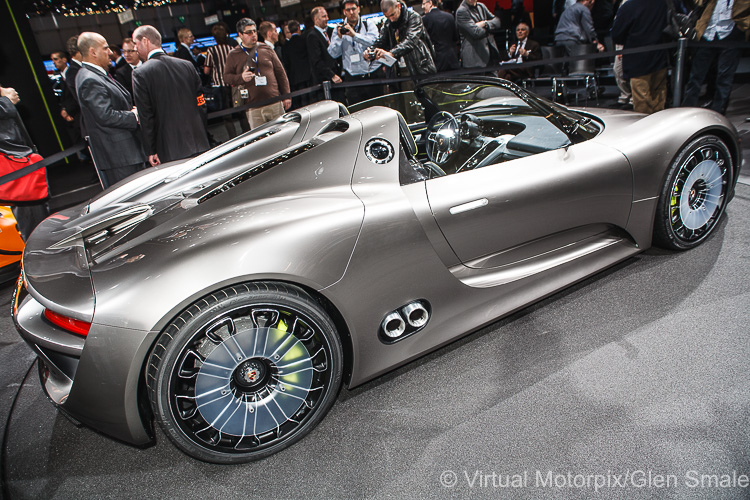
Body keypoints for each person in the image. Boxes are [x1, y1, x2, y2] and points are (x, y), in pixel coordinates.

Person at [75, 32, 147, 188]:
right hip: (120, 156)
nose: (110, 52)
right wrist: (134, 116)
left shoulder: (96, 75)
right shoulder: (90, 79)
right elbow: (105, 115)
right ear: (93, 52)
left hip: (124, 154)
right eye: (105, 48)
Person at [132, 25, 210, 166]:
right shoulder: (187, 65)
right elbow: (201, 104)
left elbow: (146, 116)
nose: (135, 49)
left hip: (169, 149)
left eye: (136, 44)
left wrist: (151, 150)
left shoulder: (141, 73)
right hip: (199, 141)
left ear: (145, 41)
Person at [682, 0, 750, 114]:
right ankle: (687, 107)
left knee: (724, 77)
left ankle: (718, 111)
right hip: (708, 32)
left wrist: (743, 26)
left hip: (731, 33)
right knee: (696, 75)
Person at [223, 18, 292, 129]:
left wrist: (287, 95)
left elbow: (280, 73)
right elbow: (226, 77)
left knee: (283, 134)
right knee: (261, 141)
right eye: (249, 32)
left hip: (274, 102)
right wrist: (241, 77)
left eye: (254, 31)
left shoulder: (266, 48)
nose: (253, 34)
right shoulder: (233, 54)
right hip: (253, 107)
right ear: (240, 35)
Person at [0, 86, 49, 239]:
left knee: (36, 222)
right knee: (34, 228)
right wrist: (6, 101)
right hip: (12, 160)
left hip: (16, 158)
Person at [611, 0, 668, 114]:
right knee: (659, 99)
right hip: (659, 58)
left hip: (638, 62)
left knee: (642, 103)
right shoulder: (662, 3)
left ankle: (647, 128)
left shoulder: (629, 7)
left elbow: (617, 35)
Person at [328, 0, 385, 105]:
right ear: (344, 12)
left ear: (358, 9)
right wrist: (339, 38)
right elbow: (333, 53)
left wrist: (354, 35)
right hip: (352, 78)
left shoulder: (368, 24)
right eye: (348, 10)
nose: (351, 12)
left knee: (378, 110)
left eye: (353, 9)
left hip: (372, 74)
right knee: (357, 112)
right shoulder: (338, 29)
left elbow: (376, 42)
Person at [365, 0, 437, 76]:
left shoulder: (414, 17)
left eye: (392, 15)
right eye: (387, 17)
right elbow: (380, 41)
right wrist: (370, 51)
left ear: (398, 6)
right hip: (398, 70)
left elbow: (410, 41)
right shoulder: (388, 24)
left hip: (420, 67)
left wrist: (391, 53)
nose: (391, 19)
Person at [204, 23, 242, 137]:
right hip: (234, 84)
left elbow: (206, 70)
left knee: (227, 116)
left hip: (220, 86)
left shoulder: (212, 51)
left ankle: (233, 138)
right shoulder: (232, 49)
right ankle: (247, 133)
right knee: (241, 112)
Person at [455, 0, 502, 69]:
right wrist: (490, 27)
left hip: (490, 56)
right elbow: (476, 33)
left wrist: (485, 23)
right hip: (475, 60)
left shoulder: (481, 6)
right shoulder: (461, 11)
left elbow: (497, 22)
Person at [308, 6, 343, 92]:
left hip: (338, 77)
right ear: (316, 19)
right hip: (326, 81)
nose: (327, 18)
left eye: (327, 16)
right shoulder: (312, 36)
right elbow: (317, 61)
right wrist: (332, 75)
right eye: (324, 16)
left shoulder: (330, 32)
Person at [421, 0, 460, 72]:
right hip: (452, 59)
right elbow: (456, 37)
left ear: (430, 3)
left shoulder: (424, 19)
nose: (422, 6)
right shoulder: (450, 16)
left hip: (436, 61)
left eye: (424, 4)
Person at [283, 20, 314, 108]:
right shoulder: (305, 40)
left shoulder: (286, 46)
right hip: (308, 75)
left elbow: (286, 63)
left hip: (295, 78)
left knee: (301, 101)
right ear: (298, 28)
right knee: (311, 99)